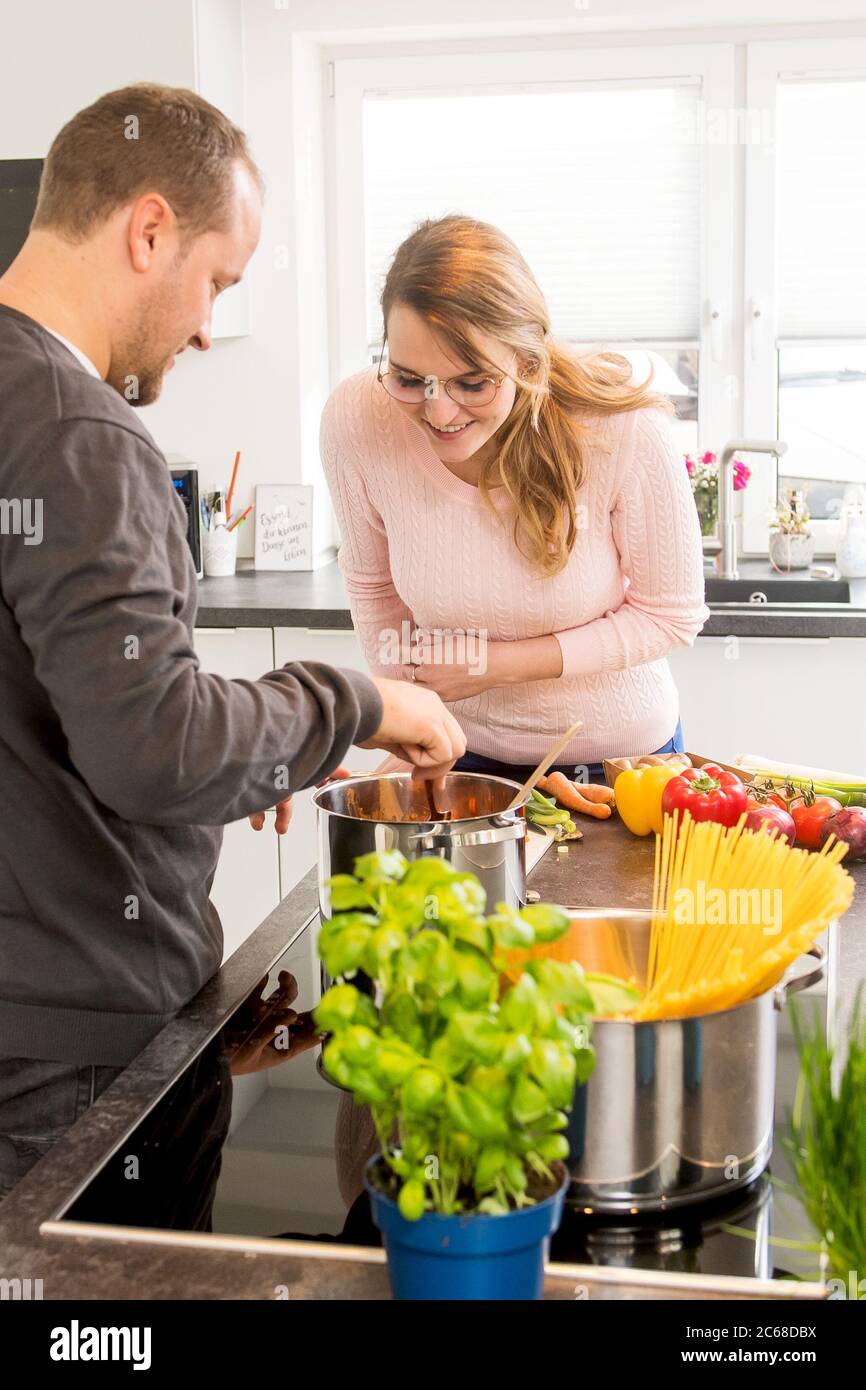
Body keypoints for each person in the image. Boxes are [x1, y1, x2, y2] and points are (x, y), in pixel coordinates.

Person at [0, 85, 464, 1220]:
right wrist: (351, 701)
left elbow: (78, 700)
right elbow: (153, 746)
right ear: (147, 230)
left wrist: (259, 744)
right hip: (73, 1041)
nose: (209, 324)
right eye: (216, 280)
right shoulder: (79, 434)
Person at [321, 214, 709, 791]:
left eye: (472, 384)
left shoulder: (620, 428)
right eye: (408, 378)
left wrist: (491, 665)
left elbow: (670, 616)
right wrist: (409, 713)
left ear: (527, 363)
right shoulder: (359, 418)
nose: (439, 412)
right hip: (458, 747)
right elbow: (375, 590)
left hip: (619, 760)